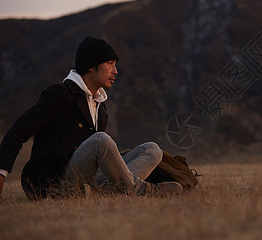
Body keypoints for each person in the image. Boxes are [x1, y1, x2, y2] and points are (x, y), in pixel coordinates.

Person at [0, 36, 182, 199]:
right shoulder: (61, 94)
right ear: (91, 66)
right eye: (110, 63)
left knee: (152, 150)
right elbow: (18, 130)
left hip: (85, 181)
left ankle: (102, 193)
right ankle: (141, 190)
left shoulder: (100, 105)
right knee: (100, 140)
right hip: (53, 184)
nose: (115, 71)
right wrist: (2, 173)